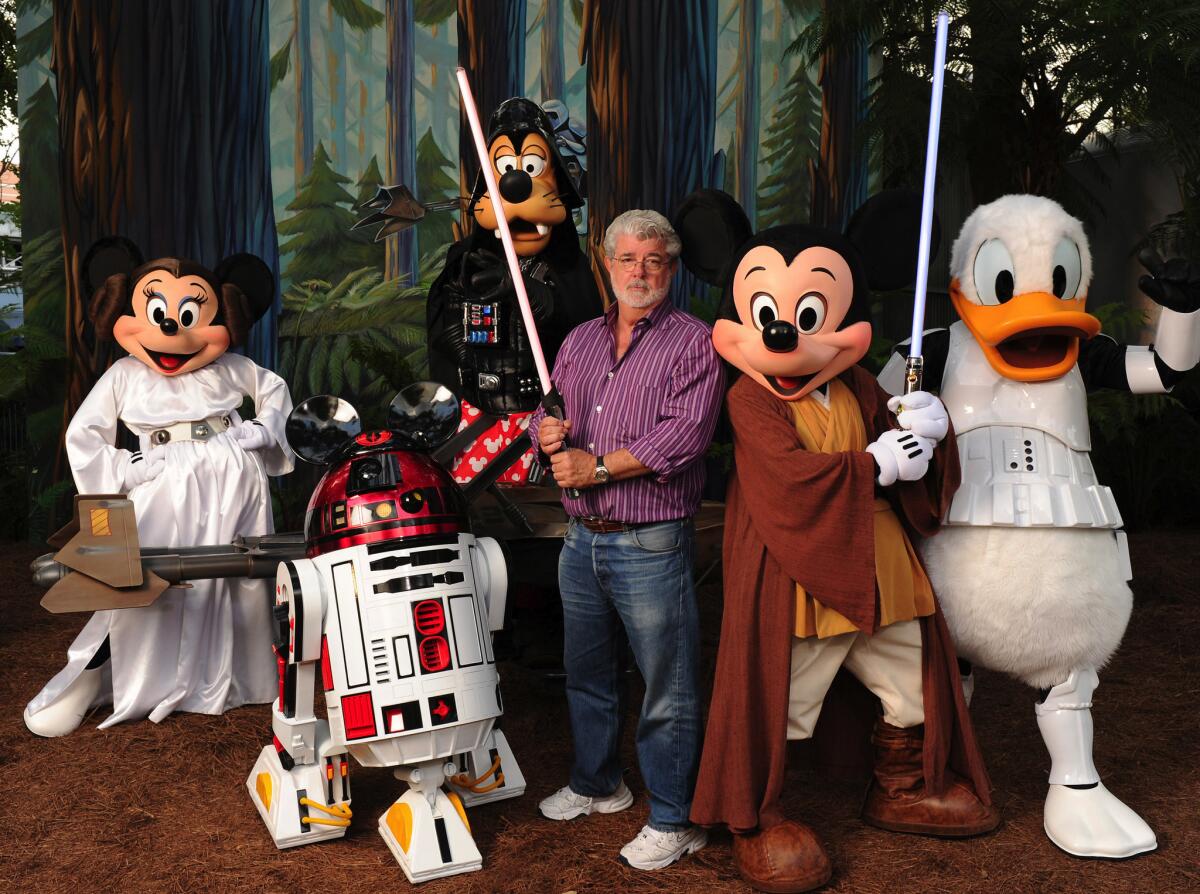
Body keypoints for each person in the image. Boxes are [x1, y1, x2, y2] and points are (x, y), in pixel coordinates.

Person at [24, 239, 294, 737]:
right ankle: (105, 674)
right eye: (156, 310)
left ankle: (233, 676)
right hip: (160, 477)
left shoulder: (232, 369)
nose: (171, 327)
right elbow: (84, 434)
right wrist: (127, 470)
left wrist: (261, 431)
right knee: (148, 575)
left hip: (232, 475)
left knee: (236, 576)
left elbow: (273, 392)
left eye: (191, 312)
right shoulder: (125, 374)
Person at [526, 209, 723, 870]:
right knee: (588, 674)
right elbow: (549, 409)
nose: (640, 272)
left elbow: (684, 437)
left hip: (650, 540)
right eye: (628, 259)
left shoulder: (694, 342)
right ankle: (598, 783)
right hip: (581, 538)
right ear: (606, 264)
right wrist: (545, 433)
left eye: (654, 261)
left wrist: (598, 466)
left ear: (671, 268)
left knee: (668, 687)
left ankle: (675, 817)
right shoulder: (580, 339)